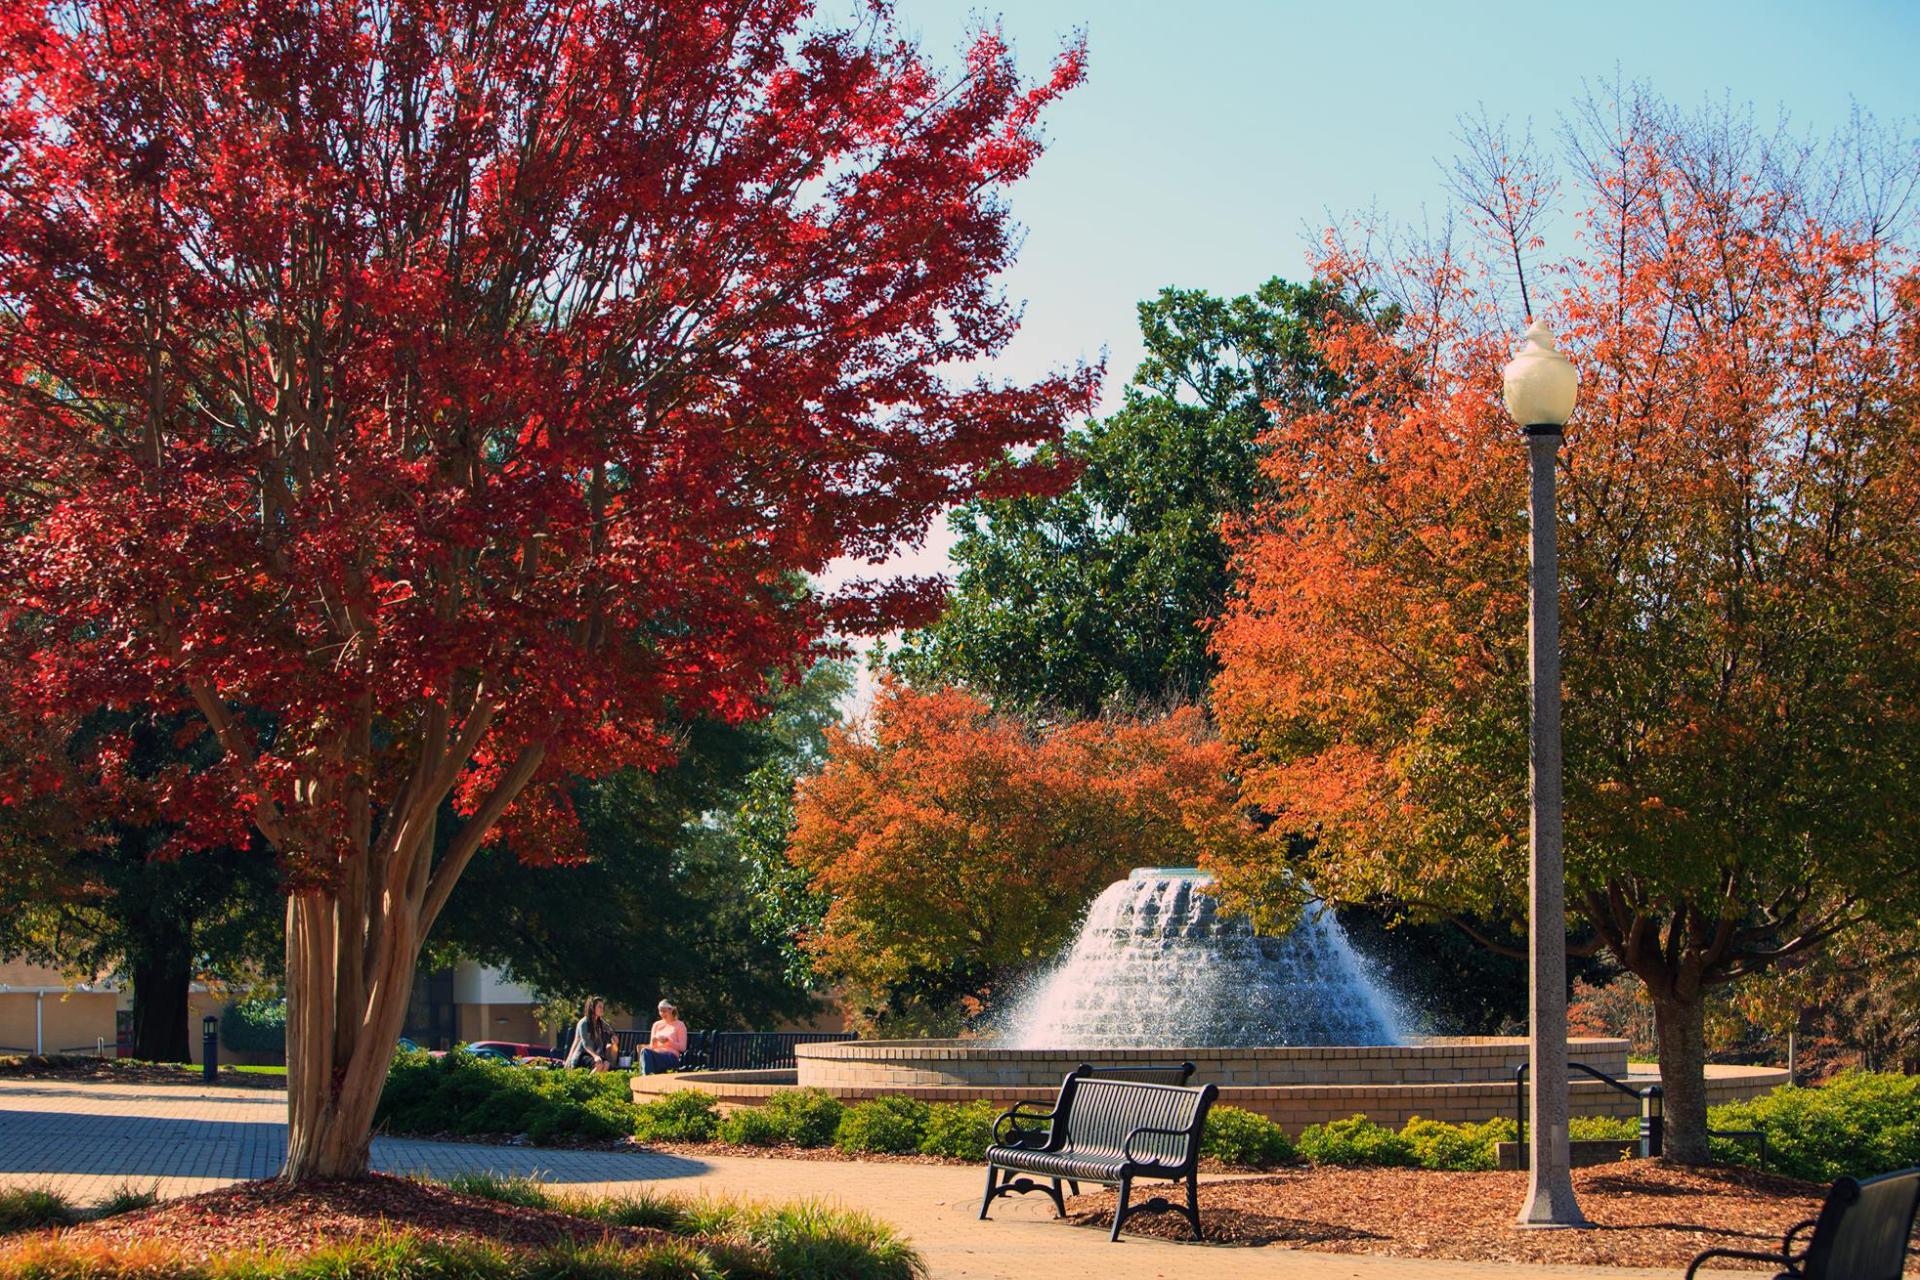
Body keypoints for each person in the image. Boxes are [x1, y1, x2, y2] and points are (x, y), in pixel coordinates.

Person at [566, 996, 615, 1071]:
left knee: (606, 1064)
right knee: (599, 1064)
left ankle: (596, 1079)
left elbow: (609, 1029)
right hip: (582, 1055)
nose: (602, 1009)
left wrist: (613, 1035)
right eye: (600, 1007)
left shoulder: (600, 1022)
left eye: (603, 1007)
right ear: (592, 1008)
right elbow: (586, 1045)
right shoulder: (584, 1023)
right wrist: (595, 1056)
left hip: (593, 1055)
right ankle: (588, 1079)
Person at [641, 999, 687, 1074]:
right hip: (656, 1055)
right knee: (645, 1051)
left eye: (664, 1011)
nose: (662, 1014)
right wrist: (655, 1039)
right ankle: (648, 1077)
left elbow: (683, 1048)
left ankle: (647, 1078)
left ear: (671, 1010)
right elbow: (652, 1047)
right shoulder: (656, 1025)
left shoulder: (680, 1025)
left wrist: (668, 1041)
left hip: (670, 1056)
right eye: (660, 1011)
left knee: (648, 1057)